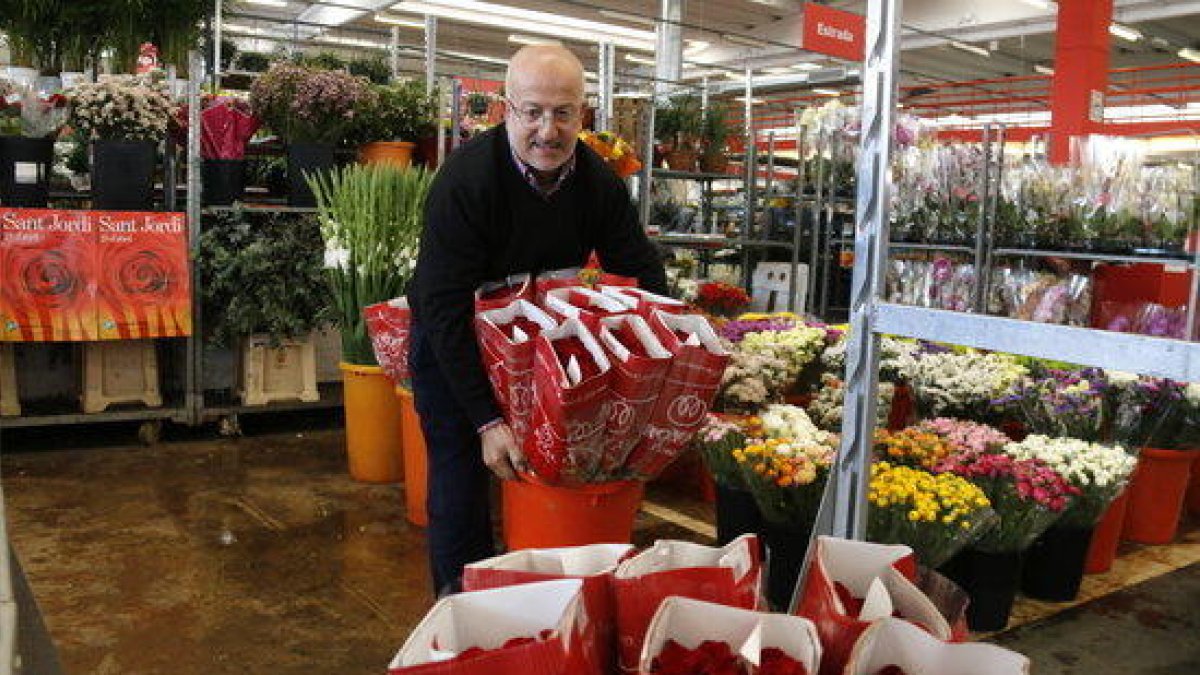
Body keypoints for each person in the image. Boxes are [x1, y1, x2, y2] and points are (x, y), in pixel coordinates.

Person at [407, 45, 668, 595]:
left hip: (538, 346)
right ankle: (464, 611)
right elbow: (441, 306)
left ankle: (548, 603)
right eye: (532, 111)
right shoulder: (466, 182)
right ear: (507, 108)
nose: (547, 130)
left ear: (583, 113)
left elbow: (640, 267)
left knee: (551, 469)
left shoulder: (596, 180)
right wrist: (486, 420)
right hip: (452, 337)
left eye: (563, 112)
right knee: (459, 473)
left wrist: (665, 360)